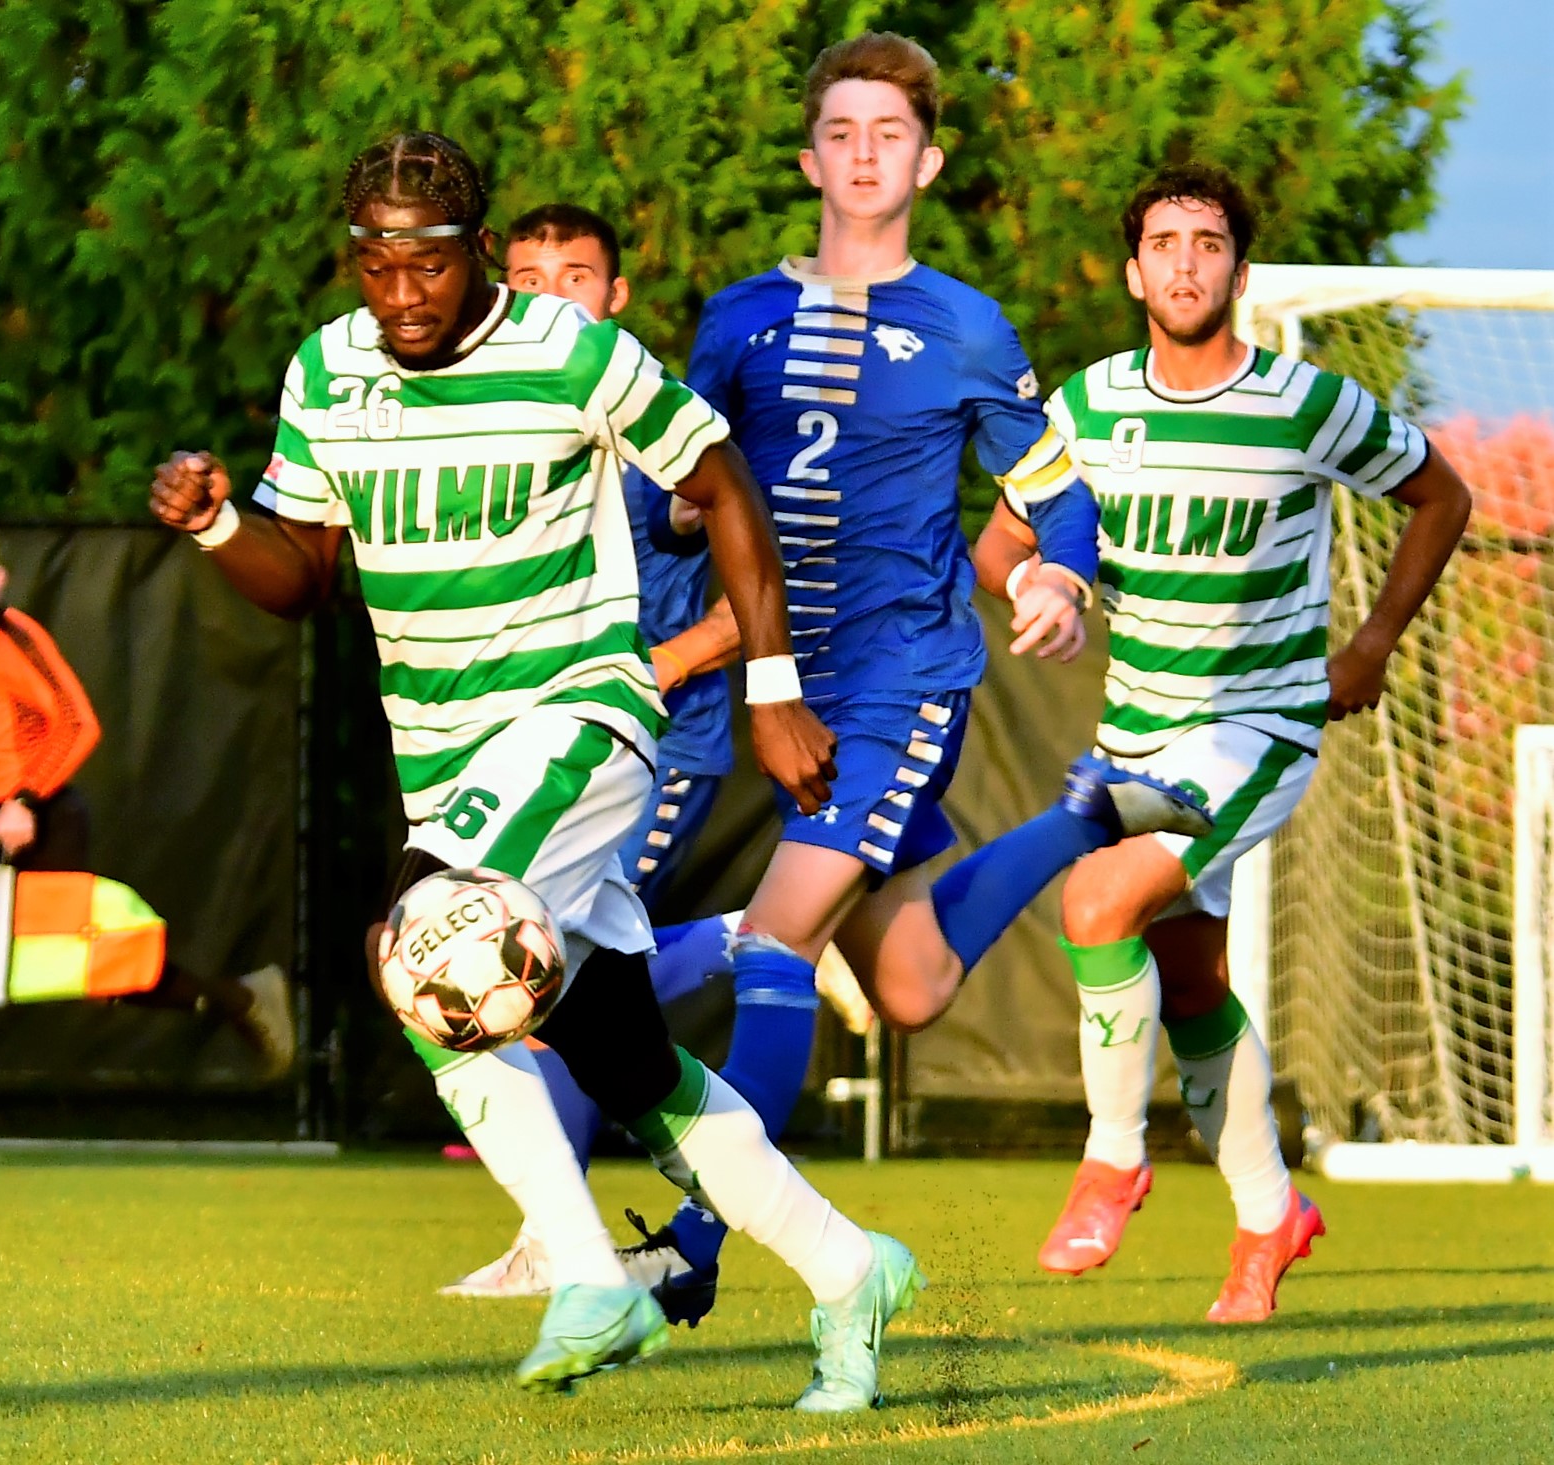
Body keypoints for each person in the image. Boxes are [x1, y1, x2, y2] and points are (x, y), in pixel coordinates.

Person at [150, 130, 928, 1411]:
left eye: (427, 264)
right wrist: (219, 522)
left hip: (582, 716)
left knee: (417, 950)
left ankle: (587, 1273)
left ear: (475, 255)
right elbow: (301, 577)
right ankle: (849, 1269)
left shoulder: (572, 351)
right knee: (631, 1067)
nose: (400, 293)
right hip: (445, 763)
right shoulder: (327, 372)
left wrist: (773, 690)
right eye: (373, 262)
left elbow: (726, 485)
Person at [608, 32, 1213, 1329]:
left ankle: (692, 1253)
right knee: (910, 984)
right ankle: (1086, 814)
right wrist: (661, 513)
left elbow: (1056, 499)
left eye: (892, 132)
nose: (866, 152)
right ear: (811, 154)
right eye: (843, 130)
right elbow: (693, 491)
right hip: (787, 685)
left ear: (926, 160)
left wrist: (1059, 580)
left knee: (772, 946)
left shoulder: (964, 327)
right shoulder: (737, 319)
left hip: (901, 682)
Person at [973, 163, 1471, 1322]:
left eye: (1207, 243)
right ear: (1135, 269)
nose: (1185, 261)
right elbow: (1004, 541)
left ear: (1237, 274)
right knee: (1191, 981)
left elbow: (1440, 497)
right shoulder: (1085, 406)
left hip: (1257, 726)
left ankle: (1111, 1156)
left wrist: (1374, 642)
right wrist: (1039, 580)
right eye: (1164, 242)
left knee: (1094, 905)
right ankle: (1266, 1217)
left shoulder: (1305, 403)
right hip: (1134, 733)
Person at [438, 202, 745, 1300]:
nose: (551, 292)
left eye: (577, 275)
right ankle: (764, 937)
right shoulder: (503, 419)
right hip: (528, 757)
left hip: (639, 752)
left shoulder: (641, 429)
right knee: (563, 989)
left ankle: (556, 1240)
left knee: (523, 971)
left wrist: (663, 663)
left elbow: (749, 565)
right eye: (528, 276)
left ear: (613, 298)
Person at [0, 530, 295, 1165]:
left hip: (40, 821)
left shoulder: (13, 635)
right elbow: (0, 736)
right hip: (0, 823)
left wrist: (21, 798)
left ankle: (241, 998)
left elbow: (77, 721)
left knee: (93, 972)